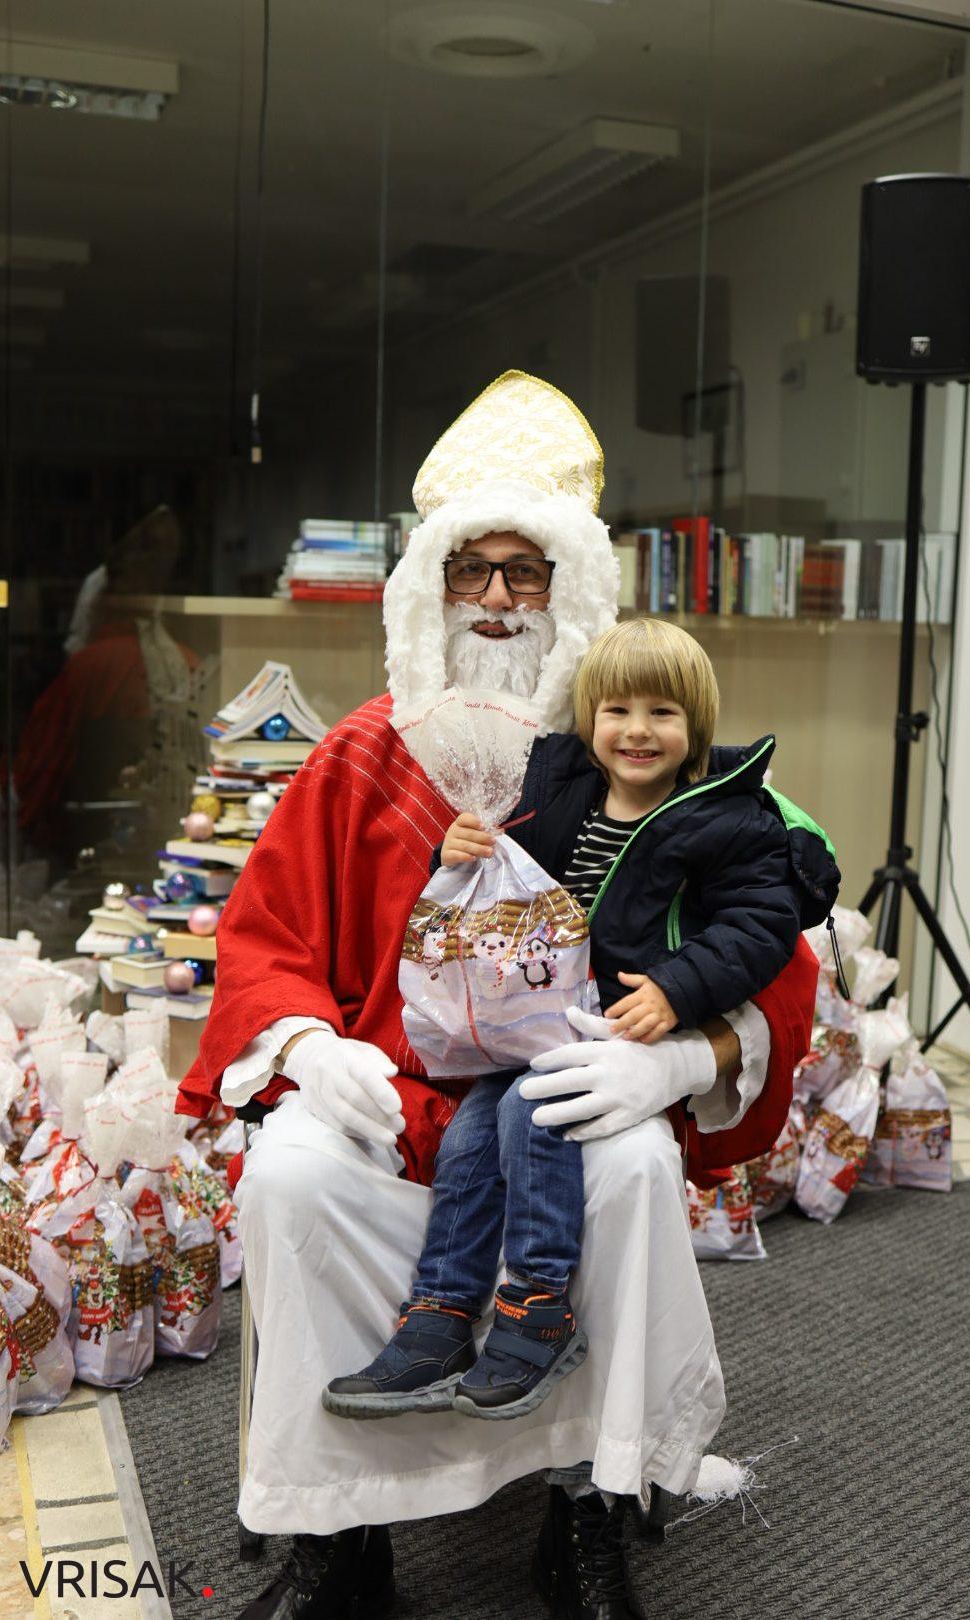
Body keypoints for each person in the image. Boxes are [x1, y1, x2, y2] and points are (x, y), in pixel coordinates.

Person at [178, 371, 820, 1620]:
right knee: (293, 1175)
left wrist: (680, 1063)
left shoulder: (635, 757)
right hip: (391, 1078)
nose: (496, 600)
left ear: (569, 593)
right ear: (428, 592)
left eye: (526, 574)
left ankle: (587, 1504)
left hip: (578, 1071)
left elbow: (779, 929)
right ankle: (337, 1535)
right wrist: (307, 1050)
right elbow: (263, 932)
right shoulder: (364, 752)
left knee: (631, 1169)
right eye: (470, 572)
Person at [326, 617, 836, 1426]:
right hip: (532, 1018)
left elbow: (758, 930)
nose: (638, 731)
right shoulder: (553, 784)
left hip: (618, 1033)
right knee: (466, 1139)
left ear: (696, 726)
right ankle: (442, 1314)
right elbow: (494, 878)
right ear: (588, 717)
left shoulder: (732, 819)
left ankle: (538, 1305)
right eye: (618, 710)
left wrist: (676, 989)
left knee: (535, 1114)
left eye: (663, 713)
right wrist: (452, 854)